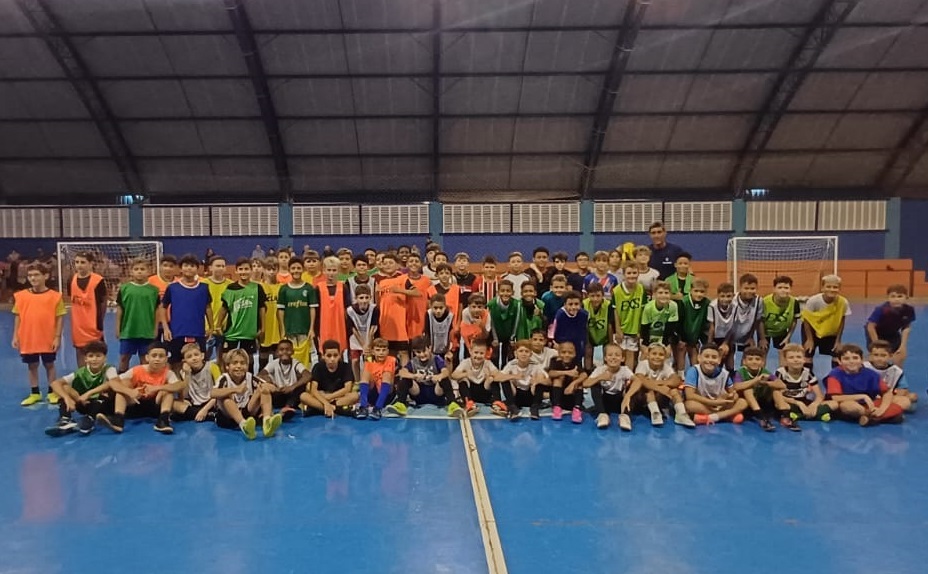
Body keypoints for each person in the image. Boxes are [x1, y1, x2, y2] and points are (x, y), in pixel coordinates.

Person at [95, 342, 179, 434]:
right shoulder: (137, 370)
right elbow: (112, 382)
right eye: (154, 356)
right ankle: (118, 420)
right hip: (135, 403)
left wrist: (156, 388)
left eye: (161, 356)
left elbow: (179, 386)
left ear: (166, 359)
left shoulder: (168, 373)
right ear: (147, 358)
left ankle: (163, 420)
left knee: (168, 390)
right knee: (124, 383)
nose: (157, 359)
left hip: (155, 407)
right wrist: (130, 392)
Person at [12, 262, 66, 406]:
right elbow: (17, 316)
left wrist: (57, 337)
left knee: (49, 364)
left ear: (46, 276)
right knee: (32, 365)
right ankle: (35, 393)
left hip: (47, 337)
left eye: (36, 275)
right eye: (30, 275)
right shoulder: (21, 296)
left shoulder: (55, 296)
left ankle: (52, 391)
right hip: (28, 337)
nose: (33, 278)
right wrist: (15, 335)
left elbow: (59, 317)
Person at [45, 340, 116, 436]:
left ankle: (89, 420)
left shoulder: (109, 369)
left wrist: (89, 393)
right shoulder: (80, 372)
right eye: (91, 356)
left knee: (105, 397)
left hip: (101, 405)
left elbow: (113, 383)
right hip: (83, 403)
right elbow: (55, 383)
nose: (94, 359)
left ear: (105, 358)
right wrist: (67, 398)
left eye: (98, 356)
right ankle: (66, 420)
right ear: (85, 359)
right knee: (64, 388)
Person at [824, 344, 906, 426]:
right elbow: (835, 397)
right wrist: (863, 396)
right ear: (839, 361)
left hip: (869, 405)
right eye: (846, 359)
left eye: (855, 358)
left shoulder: (871, 374)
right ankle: (874, 417)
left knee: (901, 404)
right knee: (848, 407)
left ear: (862, 360)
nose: (851, 361)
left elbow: (887, 393)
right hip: (848, 403)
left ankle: (870, 418)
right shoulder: (835, 374)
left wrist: (881, 409)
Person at [211, 348, 282, 440]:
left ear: (247, 366)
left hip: (247, 414)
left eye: (242, 363)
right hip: (228, 418)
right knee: (225, 399)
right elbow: (212, 393)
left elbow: (273, 387)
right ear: (227, 366)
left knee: (263, 390)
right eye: (235, 363)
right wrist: (235, 390)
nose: (239, 366)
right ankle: (243, 425)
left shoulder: (250, 377)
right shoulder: (224, 378)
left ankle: (267, 421)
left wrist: (268, 387)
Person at [160, 253, 212, 369]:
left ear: (197, 269)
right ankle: (177, 385)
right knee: (175, 362)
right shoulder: (172, 288)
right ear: (181, 268)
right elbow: (163, 307)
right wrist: (166, 328)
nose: (189, 268)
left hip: (198, 332)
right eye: (186, 265)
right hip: (177, 332)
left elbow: (208, 308)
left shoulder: (204, 288)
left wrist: (211, 327)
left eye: (192, 266)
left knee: (199, 363)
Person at [214, 258, 266, 368]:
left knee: (248, 362)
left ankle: (248, 382)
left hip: (249, 333)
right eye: (241, 269)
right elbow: (224, 308)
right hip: (232, 333)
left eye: (246, 269)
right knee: (228, 360)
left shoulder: (257, 288)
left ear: (251, 270)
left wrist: (263, 328)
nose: (243, 272)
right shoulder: (231, 288)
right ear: (236, 271)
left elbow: (262, 309)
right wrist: (218, 325)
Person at [733, 346, 798, 432]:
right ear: (744, 362)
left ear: (763, 362)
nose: (754, 362)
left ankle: (785, 416)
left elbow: (782, 385)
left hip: (764, 402)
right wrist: (756, 380)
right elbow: (737, 386)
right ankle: (761, 417)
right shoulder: (740, 372)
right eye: (750, 359)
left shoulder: (765, 372)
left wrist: (767, 383)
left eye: (757, 359)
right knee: (747, 390)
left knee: (776, 389)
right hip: (749, 405)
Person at [390, 336, 458, 417]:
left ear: (429, 348)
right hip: (419, 394)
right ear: (414, 352)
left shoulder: (436, 359)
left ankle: (453, 404)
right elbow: (402, 372)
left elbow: (446, 372)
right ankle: (400, 404)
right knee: (405, 379)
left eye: (424, 351)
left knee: (444, 379)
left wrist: (439, 376)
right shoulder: (413, 362)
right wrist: (414, 376)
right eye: (418, 352)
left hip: (436, 393)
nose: (422, 354)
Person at [683, 343, 747, 425]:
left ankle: (710, 417)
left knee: (743, 402)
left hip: (720, 404)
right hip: (703, 404)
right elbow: (690, 395)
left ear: (719, 360)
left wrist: (732, 397)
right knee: (689, 405)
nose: (710, 360)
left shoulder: (724, 374)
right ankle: (726, 415)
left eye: (714, 357)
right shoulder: (693, 371)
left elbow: (734, 393)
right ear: (699, 358)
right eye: (706, 356)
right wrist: (713, 402)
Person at [635, 343, 695, 428]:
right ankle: (655, 413)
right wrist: (659, 388)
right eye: (654, 354)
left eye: (661, 354)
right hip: (642, 399)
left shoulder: (666, 366)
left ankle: (681, 414)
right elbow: (640, 380)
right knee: (649, 391)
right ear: (648, 355)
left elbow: (676, 380)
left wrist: (661, 384)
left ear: (665, 357)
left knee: (674, 391)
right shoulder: (643, 364)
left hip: (660, 398)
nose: (657, 357)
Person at [116, 258, 160, 372]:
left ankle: (144, 383)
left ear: (148, 271)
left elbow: (157, 311)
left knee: (145, 359)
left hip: (146, 331)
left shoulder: (154, 290)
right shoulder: (124, 289)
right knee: (124, 358)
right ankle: (121, 383)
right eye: (136, 269)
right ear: (131, 271)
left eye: (142, 269)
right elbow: (120, 309)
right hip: (128, 330)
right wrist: (117, 328)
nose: (139, 271)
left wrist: (155, 328)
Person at [584, 343, 639, 430]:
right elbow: (585, 384)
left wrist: (628, 396)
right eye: (610, 355)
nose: (613, 357)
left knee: (633, 386)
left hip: (620, 401)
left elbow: (638, 381)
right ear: (605, 358)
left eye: (617, 355)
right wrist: (600, 377)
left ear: (622, 358)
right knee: (594, 384)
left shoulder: (624, 370)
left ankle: (625, 416)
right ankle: (602, 415)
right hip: (605, 402)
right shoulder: (600, 370)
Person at [801, 275, 850, 371]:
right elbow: (806, 320)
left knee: (837, 352)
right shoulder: (814, 301)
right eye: (828, 286)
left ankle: (836, 377)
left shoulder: (843, 302)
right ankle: (807, 378)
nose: (832, 289)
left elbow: (841, 321)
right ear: (822, 287)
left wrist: (838, 341)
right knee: (808, 352)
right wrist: (810, 339)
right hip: (812, 329)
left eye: (835, 287)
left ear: (839, 288)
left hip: (831, 330)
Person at [67, 251, 107, 367]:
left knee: (97, 352)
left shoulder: (98, 280)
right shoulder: (71, 279)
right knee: (80, 352)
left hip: (93, 324)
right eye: (77, 262)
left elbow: (103, 301)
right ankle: (82, 378)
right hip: (78, 325)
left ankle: (98, 378)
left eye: (83, 262)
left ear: (91, 263)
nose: (79, 265)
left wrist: (100, 320)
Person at [277, 257, 318, 368]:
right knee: (290, 357)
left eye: (298, 268)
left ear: (302, 269)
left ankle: (306, 381)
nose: (296, 270)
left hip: (305, 331)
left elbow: (312, 309)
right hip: (290, 331)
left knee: (306, 359)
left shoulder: (309, 288)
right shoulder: (284, 289)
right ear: (289, 270)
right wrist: (283, 329)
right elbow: (281, 311)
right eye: (293, 268)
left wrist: (311, 329)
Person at [300, 339, 358, 417]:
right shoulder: (317, 367)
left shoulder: (346, 366)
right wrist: (326, 402)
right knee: (303, 396)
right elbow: (313, 390)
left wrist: (330, 397)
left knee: (355, 396)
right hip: (322, 397)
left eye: (335, 355)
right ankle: (336, 409)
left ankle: (317, 409)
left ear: (340, 355)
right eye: (329, 356)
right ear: (323, 356)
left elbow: (347, 388)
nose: (332, 359)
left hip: (338, 398)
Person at [256, 338, 310, 420]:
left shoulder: (296, 363)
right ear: (277, 352)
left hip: (292, 396)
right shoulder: (273, 363)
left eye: (287, 350)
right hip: (278, 393)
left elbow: (308, 375)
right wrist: (271, 384)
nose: (284, 352)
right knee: (263, 385)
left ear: (292, 352)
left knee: (302, 385)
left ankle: (287, 407)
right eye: (281, 350)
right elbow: (259, 375)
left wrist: (292, 387)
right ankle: (267, 411)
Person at [376, 253, 415, 364]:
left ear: (397, 265)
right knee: (389, 353)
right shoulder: (380, 281)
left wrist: (400, 290)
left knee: (403, 352)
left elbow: (416, 292)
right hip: (385, 323)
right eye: (385, 263)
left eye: (391, 263)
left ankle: (405, 378)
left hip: (400, 323)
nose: (388, 265)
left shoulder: (403, 278)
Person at [777, 343, 831, 423]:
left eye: (799, 357)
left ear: (804, 359)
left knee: (834, 404)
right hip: (790, 402)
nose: (795, 360)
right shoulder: (781, 373)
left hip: (804, 401)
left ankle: (799, 416)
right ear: (785, 360)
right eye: (791, 357)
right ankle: (816, 415)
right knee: (779, 404)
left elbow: (819, 395)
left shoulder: (808, 373)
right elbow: (778, 396)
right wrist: (798, 403)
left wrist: (814, 405)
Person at [496, 339, 548, 421]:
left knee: (540, 381)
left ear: (530, 354)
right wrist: (513, 376)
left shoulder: (535, 365)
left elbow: (548, 381)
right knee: (505, 379)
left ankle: (535, 409)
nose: (524, 354)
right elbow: (497, 378)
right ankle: (513, 408)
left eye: (526, 351)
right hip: (517, 396)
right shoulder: (511, 364)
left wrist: (537, 381)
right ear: (516, 353)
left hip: (531, 396)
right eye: (521, 351)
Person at [865, 284, 915, 367]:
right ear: (888, 298)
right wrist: (876, 343)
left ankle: (897, 374)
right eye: (893, 296)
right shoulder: (881, 310)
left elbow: (906, 327)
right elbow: (870, 327)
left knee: (899, 354)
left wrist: (903, 346)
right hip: (876, 332)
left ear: (906, 297)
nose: (896, 299)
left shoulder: (909, 310)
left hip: (893, 333)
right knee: (878, 354)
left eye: (900, 296)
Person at [171, 342, 220, 423]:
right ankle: (209, 416)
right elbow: (184, 396)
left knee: (222, 400)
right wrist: (187, 375)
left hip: (211, 402)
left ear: (202, 356)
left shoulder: (212, 367)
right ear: (184, 361)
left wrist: (204, 410)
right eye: (189, 357)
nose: (194, 358)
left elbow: (219, 392)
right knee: (174, 404)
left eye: (196, 355)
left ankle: (198, 414)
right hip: (195, 404)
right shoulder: (183, 372)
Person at [450, 338, 499, 416]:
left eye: (481, 353)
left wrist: (490, 376)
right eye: (476, 352)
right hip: (470, 393)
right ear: (470, 351)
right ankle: (469, 404)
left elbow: (497, 374)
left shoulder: (488, 363)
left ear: (485, 354)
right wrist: (465, 374)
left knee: (492, 379)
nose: (478, 356)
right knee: (462, 380)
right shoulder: (465, 362)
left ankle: (497, 403)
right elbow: (453, 375)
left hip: (484, 393)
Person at [612, 260, 647, 370]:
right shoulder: (616, 291)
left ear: (638, 274)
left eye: (634, 273)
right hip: (621, 329)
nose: (632, 276)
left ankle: (628, 379)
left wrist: (639, 330)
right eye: (629, 273)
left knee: (631, 354)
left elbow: (642, 311)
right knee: (618, 355)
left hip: (634, 329)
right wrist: (618, 329)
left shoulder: (641, 289)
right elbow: (615, 311)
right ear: (623, 274)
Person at [866, 339, 917, 410]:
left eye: (883, 355)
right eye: (876, 355)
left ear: (890, 356)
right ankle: (889, 411)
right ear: (870, 356)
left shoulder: (896, 371)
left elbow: (902, 389)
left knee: (909, 399)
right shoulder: (864, 367)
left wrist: (894, 396)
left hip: (888, 397)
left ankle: (881, 409)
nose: (879, 359)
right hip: (868, 397)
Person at [542, 341, 587, 423]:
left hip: (571, 396)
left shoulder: (576, 361)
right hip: (558, 397)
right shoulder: (555, 360)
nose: (567, 355)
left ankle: (577, 408)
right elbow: (551, 373)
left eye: (570, 353)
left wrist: (573, 384)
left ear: (575, 354)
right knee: (558, 379)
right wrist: (567, 372)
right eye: (563, 352)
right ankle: (557, 407)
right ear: (559, 353)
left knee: (578, 381)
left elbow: (584, 374)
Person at [355, 338, 396, 421]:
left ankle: (378, 408)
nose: (381, 353)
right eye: (378, 350)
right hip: (373, 395)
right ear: (373, 352)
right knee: (366, 373)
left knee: (387, 374)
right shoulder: (369, 361)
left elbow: (388, 380)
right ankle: (363, 407)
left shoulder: (391, 360)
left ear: (387, 352)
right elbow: (365, 379)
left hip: (387, 395)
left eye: (383, 350)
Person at [762, 276, 800, 365]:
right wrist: (762, 338)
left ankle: (782, 376)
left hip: (781, 331)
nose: (783, 290)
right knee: (762, 353)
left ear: (790, 289)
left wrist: (788, 337)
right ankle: (760, 375)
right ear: (774, 289)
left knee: (783, 353)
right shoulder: (764, 302)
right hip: (765, 331)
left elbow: (794, 321)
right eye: (780, 288)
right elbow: (760, 321)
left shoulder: (794, 302)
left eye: (786, 288)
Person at [317, 256, 350, 355]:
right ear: (324, 271)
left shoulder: (343, 287)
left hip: (340, 327)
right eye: (329, 270)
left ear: (339, 271)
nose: (331, 273)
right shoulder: (318, 288)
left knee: (340, 353)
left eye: (334, 270)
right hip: (323, 327)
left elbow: (348, 308)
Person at [675, 277, 709, 375]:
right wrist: (680, 338)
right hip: (682, 334)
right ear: (690, 290)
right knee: (681, 351)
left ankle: (694, 374)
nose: (699, 294)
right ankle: (680, 375)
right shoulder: (683, 302)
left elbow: (705, 323)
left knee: (694, 352)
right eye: (696, 291)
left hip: (695, 335)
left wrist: (701, 339)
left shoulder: (707, 303)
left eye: (702, 291)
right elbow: (679, 321)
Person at [639, 282, 679, 362]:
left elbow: (670, 328)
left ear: (670, 295)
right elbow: (645, 328)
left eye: (666, 293)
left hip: (664, 336)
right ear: (654, 295)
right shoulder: (648, 308)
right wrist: (645, 345)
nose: (663, 295)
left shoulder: (673, 306)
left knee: (666, 354)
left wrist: (666, 344)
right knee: (645, 355)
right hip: (650, 335)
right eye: (660, 293)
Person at [346, 284, 379, 379]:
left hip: (369, 338)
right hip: (356, 339)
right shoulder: (350, 310)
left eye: (366, 297)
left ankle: (369, 380)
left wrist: (367, 345)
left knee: (368, 360)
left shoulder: (374, 309)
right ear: (356, 298)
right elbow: (353, 329)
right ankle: (357, 380)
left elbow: (373, 327)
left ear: (370, 297)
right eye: (361, 298)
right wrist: (362, 344)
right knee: (355, 361)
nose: (364, 300)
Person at [202, 255, 231, 359]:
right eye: (218, 265)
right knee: (205, 358)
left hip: (223, 329)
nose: (221, 268)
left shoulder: (231, 285)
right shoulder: (202, 284)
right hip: (206, 328)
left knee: (223, 359)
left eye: (223, 266)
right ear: (210, 268)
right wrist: (207, 326)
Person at [552, 291, 589, 368]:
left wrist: (583, 343)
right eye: (570, 304)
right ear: (565, 304)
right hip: (563, 343)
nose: (573, 307)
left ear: (580, 304)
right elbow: (553, 330)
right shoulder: (560, 315)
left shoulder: (584, 314)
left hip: (577, 343)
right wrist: (555, 343)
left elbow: (583, 330)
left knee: (577, 364)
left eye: (576, 304)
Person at [258, 257, 283, 370]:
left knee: (279, 362)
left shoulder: (282, 287)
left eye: (274, 269)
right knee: (263, 362)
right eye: (268, 269)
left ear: (278, 269)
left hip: (278, 330)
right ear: (263, 270)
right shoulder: (259, 287)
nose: (271, 272)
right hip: (265, 330)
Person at [488, 280, 519, 367]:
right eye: (502, 291)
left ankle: (507, 377)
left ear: (512, 292)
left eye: (508, 291)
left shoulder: (517, 304)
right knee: (494, 358)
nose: (505, 293)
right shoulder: (492, 304)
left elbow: (516, 321)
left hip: (509, 335)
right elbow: (491, 323)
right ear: (498, 292)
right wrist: (495, 338)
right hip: (495, 335)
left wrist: (512, 338)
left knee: (509, 358)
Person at [582, 282, 614, 369]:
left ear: (603, 295)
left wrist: (611, 343)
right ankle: (588, 371)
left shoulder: (608, 305)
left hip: (605, 334)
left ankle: (608, 371)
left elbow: (610, 325)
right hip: (589, 333)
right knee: (588, 351)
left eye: (598, 296)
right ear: (588, 295)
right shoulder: (583, 305)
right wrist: (587, 341)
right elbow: (583, 325)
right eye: (592, 296)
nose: (595, 299)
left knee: (608, 352)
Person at [403, 253, 431, 341]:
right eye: (411, 261)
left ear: (421, 264)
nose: (414, 263)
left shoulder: (426, 280)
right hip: (406, 316)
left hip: (421, 317)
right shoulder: (401, 279)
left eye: (416, 261)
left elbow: (430, 300)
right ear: (407, 264)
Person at [707, 282, 736, 367]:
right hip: (716, 337)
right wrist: (710, 344)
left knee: (730, 362)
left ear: (733, 296)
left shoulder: (735, 306)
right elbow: (711, 326)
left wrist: (725, 343)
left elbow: (734, 326)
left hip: (729, 336)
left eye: (728, 296)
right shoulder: (712, 306)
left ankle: (731, 376)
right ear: (718, 295)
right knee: (717, 362)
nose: (725, 299)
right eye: (722, 296)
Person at [423, 293, 455, 366]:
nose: (438, 311)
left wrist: (449, 349)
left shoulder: (450, 316)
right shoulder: (428, 314)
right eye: (435, 308)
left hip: (444, 348)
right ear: (430, 306)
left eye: (441, 308)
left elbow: (450, 333)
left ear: (445, 306)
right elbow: (427, 332)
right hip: (432, 348)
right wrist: (428, 347)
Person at [459, 293, 492, 360]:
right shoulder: (465, 313)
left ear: (484, 307)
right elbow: (466, 334)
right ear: (469, 306)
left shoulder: (487, 315)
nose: (476, 310)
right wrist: (469, 348)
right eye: (473, 307)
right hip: (468, 340)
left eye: (479, 307)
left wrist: (482, 327)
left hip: (481, 339)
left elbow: (486, 336)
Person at [540, 273, 568, 339]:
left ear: (566, 288)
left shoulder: (567, 297)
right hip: (549, 324)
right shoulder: (546, 298)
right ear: (551, 288)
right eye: (556, 287)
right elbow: (544, 316)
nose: (559, 290)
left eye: (561, 287)